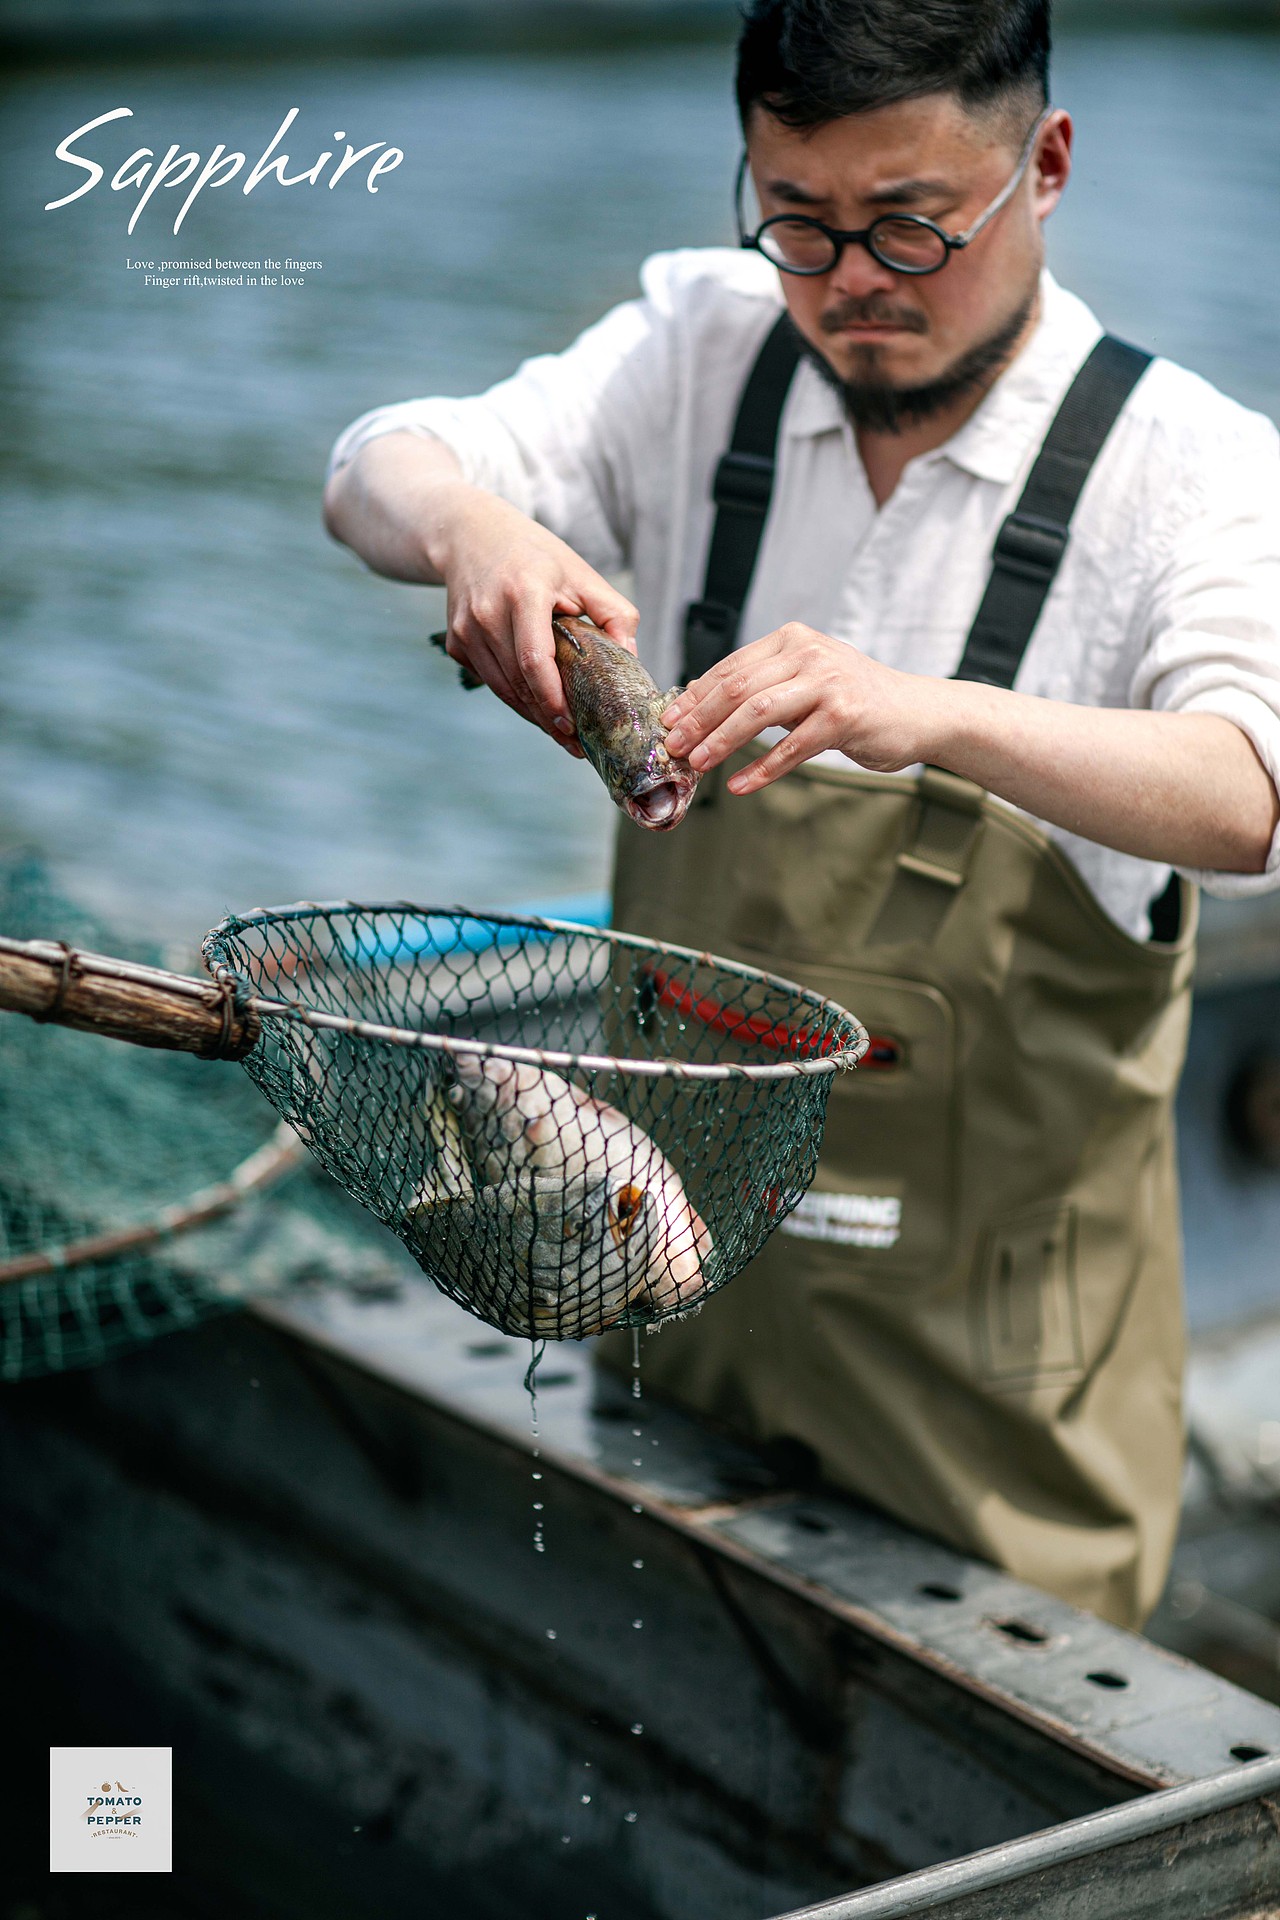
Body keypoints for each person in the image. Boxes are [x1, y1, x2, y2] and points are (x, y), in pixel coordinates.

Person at [322, 0, 1280, 1629]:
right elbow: (371, 466)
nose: (850, 285)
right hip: (676, 1336)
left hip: (1002, 1440)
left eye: (911, 228)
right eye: (801, 225)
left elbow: (1249, 791)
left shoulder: (1190, 467)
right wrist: (475, 527)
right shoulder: (702, 344)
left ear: (1043, 168)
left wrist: (935, 716)